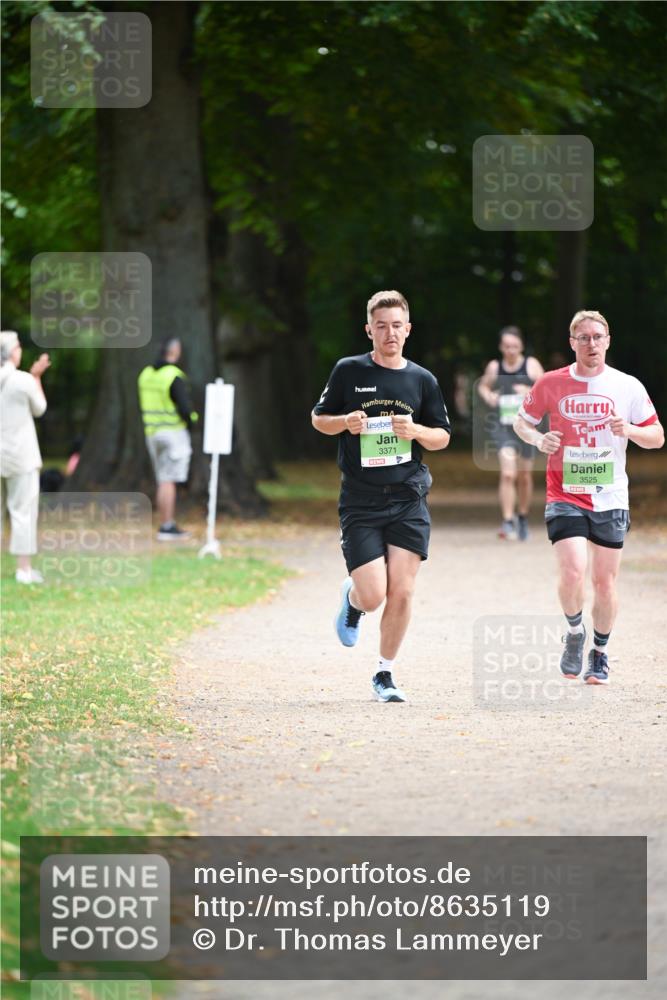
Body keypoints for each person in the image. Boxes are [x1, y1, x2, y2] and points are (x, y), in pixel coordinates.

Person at [311, 290, 451, 702]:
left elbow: (442, 436)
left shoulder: (422, 380)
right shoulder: (348, 371)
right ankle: (353, 599)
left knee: (403, 589)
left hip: (408, 496)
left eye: (397, 325)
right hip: (361, 499)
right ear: (368, 329)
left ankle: (384, 674)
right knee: (374, 594)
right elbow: (318, 420)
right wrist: (344, 422)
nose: (389, 333)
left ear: (408, 330)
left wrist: (416, 432)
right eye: (381, 325)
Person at [514, 310, 663, 685]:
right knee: (572, 571)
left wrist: (628, 428)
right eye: (584, 338)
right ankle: (575, 630)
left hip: (611, 495)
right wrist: (538, 439)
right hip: (564, 490)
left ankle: (599, 652)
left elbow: (657, 436)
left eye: (598, 337)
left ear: (608, 341)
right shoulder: (550, 383)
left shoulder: (627, 386)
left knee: (604, 582)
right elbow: (522, 422)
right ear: (572, 343)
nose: (591, 344)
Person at [478, 326, 544, 540]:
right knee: (508, 473)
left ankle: (522, 516)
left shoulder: (531, 365)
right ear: (501, 347)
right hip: (503, 426)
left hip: (526, 427)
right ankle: (507, 521)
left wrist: (530, 391)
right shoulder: (495, 366)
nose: (511, 350)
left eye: (514, 346)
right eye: (507, 346)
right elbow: (483, 386)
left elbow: (546, 388)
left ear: (521, 346)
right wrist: (489, 396)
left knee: (524, 475)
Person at [0, 331, 50, 584]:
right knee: (22, 511)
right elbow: (40, 408)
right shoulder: (23, 380)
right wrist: (37, 377)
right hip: (21, 454)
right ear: (11, 352)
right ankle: (24, 569)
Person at [138, 338, 198, 540]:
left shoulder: (145, 375)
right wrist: (192, 421)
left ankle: (165, 523)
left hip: (152, 433)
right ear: (175, 352)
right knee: (168, 480)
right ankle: (167, 525)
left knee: (162, 479)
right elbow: (184, 407)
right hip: (173, 433)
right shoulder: (173, 375)